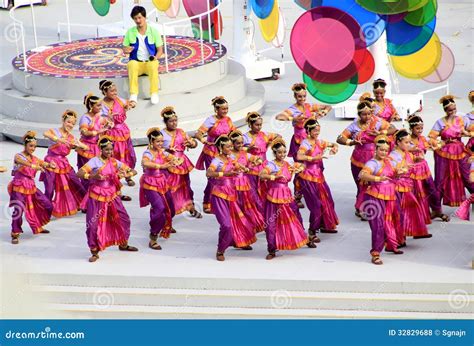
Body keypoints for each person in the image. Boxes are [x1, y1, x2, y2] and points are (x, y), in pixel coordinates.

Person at [77, 136, 138, 262]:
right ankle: (94, 250)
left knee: (123, 219)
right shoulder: (94, 161)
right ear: (101, 149)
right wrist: (92, 176)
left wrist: (127, 174)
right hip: (97, 197)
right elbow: (80, 173)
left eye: (111, 150)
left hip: (112, 196)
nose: (109, 152)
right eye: (107, 150)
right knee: (93, 225)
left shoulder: (114, 162)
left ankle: (123, 243)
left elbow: (133, 170)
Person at [275, 83, 332, 208]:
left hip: (312, 143)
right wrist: (293, 119)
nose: (302, 99)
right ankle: (297, 195)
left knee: (316, 166)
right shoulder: (293, 109)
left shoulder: (309, 106)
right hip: (298, 143)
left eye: (304, 96)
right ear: (295, 97)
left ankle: (314, 189)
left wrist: (323, 113)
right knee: (300, 169)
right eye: (300, 97)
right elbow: (279, 117)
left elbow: (328, 106)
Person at [259, 138, 316, 260]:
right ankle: (272, 248)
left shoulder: (287, 164)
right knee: (271, 223)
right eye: (280, 152)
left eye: (284, 152)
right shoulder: (271, 165)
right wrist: (274, 176)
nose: (283, 155)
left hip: (287, 196)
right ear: (274, 153)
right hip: (274, 197)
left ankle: (304, 239)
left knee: (296, 218)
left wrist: (299, 169)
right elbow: (262, 175)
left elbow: (301, 165)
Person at [336, 101, 395, 220]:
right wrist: (351, 142)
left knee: (373, 184)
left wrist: (381, 132)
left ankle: (370, 208)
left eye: (369, 114)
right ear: (359, 114)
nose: (367, 117)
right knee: (361, 184)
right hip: (358, 159)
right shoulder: (354, 126)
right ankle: (361, 206)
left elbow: (393, 129)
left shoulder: (377, 122)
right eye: (363, 114)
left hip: (375, 160)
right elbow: (340, 138)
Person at [206, 135, 257, 261]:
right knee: (226, 225)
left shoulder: (230, 158)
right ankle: (220, 249)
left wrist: (246, 168)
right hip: (220, 195)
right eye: (227, 146)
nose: (230, 148)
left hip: (231, 194)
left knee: (239, 220)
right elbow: (209, 173)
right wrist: (225, 174)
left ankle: (238, 241)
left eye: (230, 146)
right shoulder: (216, 161)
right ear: (220, 148)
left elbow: (239, 166)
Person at [359, 136, 404, 265]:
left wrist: (400, 172)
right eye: (381, 150)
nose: (384, 153)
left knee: (390, 222)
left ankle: (391, 244)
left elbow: (394, 172)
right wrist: (378, 179)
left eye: (386, 150)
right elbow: (362, 174)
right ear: (376, 150)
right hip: (374, 198)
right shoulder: (373, 163)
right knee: (377, 226)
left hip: (389, 197)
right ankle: (376, 253)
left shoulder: (389, 162)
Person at [8, 131, 55, 244]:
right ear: (25, 145)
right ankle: (15, 233)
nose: (33, 148)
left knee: (46, 204)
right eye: (31, 146)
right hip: (19, 187)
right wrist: (33, 166)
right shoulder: (18, 156)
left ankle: (38, 225)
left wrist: (50, 165)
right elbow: (20, 161)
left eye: (34, 146)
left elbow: (44, 163)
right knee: (18, 210)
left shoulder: (35, 158)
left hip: (31, 187)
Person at [296, 119, 339, 240]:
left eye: (318, 130)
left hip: (319, 177)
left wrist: (335, 148)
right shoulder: (306, 144)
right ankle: (312, 231)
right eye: (314, 130)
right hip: (308, 177)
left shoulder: (319, 142)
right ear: (308, 131)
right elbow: (299, 156)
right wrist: (315, 157)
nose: (317, 132)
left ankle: (324, 224)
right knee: (316, 205)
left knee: (328, 201)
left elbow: (334, 144)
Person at [428, 95, 473, 207]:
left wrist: (467, 133)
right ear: (445, 110)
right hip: (444, 153)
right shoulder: (440, 122)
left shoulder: (461, 120)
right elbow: (431, 138)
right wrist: (442, 142)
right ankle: (436, 207)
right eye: (450, 110)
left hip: (460, 151)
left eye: (454, 109)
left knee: (468, 176)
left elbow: (470, 130)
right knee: (440, 179)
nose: (453, 112)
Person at [41, 110, 88, 217]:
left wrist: (79, 145)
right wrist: (58, 139)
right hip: (51, 162)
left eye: (73, 123)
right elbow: (45, 133)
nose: (70, 125)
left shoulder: (71, 137)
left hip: (63, 163)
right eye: (68, 122)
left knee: (76, 181)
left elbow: (86, 147)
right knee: (50, 187)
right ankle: (46, 208)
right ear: (63, 121)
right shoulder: (55, 131)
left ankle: (85, 203)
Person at [140, 128, 181, 250]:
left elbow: (173, 157)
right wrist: (162, 166)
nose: (160, 144)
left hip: (162, 183)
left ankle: (165, 223)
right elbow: (145, 163)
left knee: (171, 208)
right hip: (150, 184)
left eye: (162, 141)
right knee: (160, 208)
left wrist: (176, 160)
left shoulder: (162, 152)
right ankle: (153, 237)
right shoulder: (147, 153)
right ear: (151, 142)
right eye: (158, 142)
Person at [390, 129, 432, 246]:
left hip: (408, 186)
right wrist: (403, 167)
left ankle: (415, 232)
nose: (409, 145)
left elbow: (411, 161)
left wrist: (417, 159)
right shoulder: (393, 156)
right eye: (407, 142)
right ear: (398, 142)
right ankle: (398, 239)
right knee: (399, 213)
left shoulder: (407, 153)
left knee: (412, 210)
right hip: (398, 188)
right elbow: (391, 171)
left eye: (410, 143)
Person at [195, 96, 236, 213]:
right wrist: (204, 141)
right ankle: (207, 201)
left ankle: (221, 200)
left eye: (227, 108)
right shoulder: (210, 120)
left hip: (225, 151)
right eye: (223, 109)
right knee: (213, 176)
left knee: (225, 176)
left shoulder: (228, 120)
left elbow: (233, 132)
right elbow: (198, 133)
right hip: (211, 151)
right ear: (216, 109)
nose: (225, 111)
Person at [160, 106, 201, 218]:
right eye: (171, 121)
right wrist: (167, 150)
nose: (174, 123)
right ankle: (168, 215)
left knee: (186, 186)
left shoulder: (181, 132)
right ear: (165, 122)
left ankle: (190, 207)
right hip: (170, 163)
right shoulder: (161, 134)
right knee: (171, 188)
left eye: (175, 121)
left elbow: (193, 143)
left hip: (182, 163)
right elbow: (156, 149)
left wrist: (192, 144)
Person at [99, 80, 137, 200]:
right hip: (111, 133)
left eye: (115, 90)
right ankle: (115, 183)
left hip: (123, 132)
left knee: (127, 155)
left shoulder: (120, 100)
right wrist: (107, 118)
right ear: (104, 92)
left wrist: (130, 105)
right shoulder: (101, 105)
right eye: (112, 91)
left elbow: (131, 103)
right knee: (115, 158)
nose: (115, 93)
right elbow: (100, 119)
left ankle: (128, 176)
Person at [407, 115, 449, 222]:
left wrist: (439, 145)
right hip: (412, 169)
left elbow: (434, 145)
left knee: (432, 189)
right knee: (417, 192)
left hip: (424, 168)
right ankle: (419, 214)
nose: (420, 130)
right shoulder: (406, 140)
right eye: (417, 128)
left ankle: (436, 210)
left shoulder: (423, 139)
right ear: (411, 128)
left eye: (421, 128)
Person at [123, 5, 164, 105]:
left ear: (145, 17)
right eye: (135, 18)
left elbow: (160, 50)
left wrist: (155, 58)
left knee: (154, 65)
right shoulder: (130, 32)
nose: (138, 20)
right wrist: (126, 50)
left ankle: (154, 93)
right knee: (131, 64)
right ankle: (133, 94)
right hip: (137, 62)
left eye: (140, 17)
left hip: (149, 62)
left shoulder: (154, 31)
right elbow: (124, 48)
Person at [229, 129, 265, 234]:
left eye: (241, 143)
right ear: (232, 143)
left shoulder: (245, 153)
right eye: (238, 143)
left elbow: (259, 159)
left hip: (244, 184)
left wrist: (255, 163)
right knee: (236, 207)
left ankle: (247, 228)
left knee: (247, 206)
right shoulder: (229, 155)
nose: (240, 145)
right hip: (232, 184)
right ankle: (237, 230)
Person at [243, 112, 280, 209]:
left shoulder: (264, 135)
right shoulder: (245, 137)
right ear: (250, 125)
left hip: (264, 166)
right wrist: (248, 149)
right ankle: (255, 210)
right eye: (257, 125)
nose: (259, 127)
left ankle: (264, 209)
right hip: (252, 166)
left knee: (265, 189)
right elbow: (237, 150)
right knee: (253, 190)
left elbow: (278, 136)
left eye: (260, 125)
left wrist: (270, 143)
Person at [77, 94, 111, 190]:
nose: (101, 107)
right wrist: (97, 131)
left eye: (101, 105)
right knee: (87, 170)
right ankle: (87, 193)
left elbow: (104, 122)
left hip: (97, 147)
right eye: (98, 105)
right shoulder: (85, 118)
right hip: (87, 148)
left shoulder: (98, 116)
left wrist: (109, 123)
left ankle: (97, 190)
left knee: (98, 169)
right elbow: (84, 132)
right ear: (91, 106)